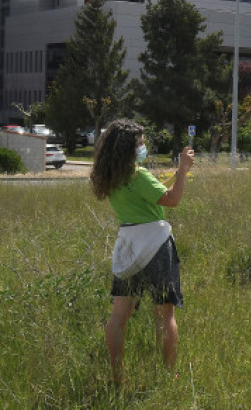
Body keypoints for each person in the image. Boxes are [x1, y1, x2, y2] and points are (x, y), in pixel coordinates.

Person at [89, 119, 194, 383]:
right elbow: (173, 200)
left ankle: (117, 376)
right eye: (140, 143)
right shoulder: (138, 175)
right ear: (128, 148)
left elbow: (149, 195)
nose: (143, 147)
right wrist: (183, 170)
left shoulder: (111, 176)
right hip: (156, 244)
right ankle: (168, 375)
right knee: (164, 315)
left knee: (118, 316)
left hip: (127, 246)